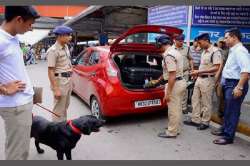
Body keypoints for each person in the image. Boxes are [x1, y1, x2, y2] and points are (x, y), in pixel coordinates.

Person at [0, 6, 40, 160]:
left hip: (21, 104)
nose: (31, 29)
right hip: (15, 107)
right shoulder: (1, 41)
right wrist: (3, 88)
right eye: (30, 24)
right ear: (18, 19)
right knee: (17, 153)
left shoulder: (13, 37)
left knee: (21, 148)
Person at [212, 28, 250, 145]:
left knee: (233, 111)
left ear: (234, 37)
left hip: (235, 84)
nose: (225, 40)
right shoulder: (233, 50)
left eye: (227, 37)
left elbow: (246, 71)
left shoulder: (240, 51)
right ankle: (225, 130)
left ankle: (228, 137)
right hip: (229, 83)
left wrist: (239, 87)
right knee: (228, 110)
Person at [146, 34, 186, 138]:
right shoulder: (175, 52)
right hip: (180, 81)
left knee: (173, 109)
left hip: (175, 84)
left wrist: (168, 93)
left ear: (160, 43)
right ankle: (175, 128)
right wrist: (159, 80)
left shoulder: (169, 55)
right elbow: (169, 73)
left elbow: (172, 75)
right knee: (177, 108)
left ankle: (172, 132)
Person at [183, 33, 222, 130]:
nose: (199, 45)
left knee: (206, 102)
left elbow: (216, 67)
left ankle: (205, 122)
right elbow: (204, 65)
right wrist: (196, 73)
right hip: (199, 79)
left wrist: (199, 71)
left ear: (206, 41)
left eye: (200, 43)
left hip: (208, 80)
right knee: (195, 99)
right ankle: (195, 119)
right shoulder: (204, 51)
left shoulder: (215, 51)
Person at [47, 25, 73, 122]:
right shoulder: (53, 51)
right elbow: (50, 71)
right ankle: (56, 130)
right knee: (58, 109)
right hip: (60, 82)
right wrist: (56, 89)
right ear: (60, 36)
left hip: (68, 81)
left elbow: (67, 62)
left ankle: (63, 126)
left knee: (65, 106)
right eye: (68, 35)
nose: (70, 37)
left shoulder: (65, 47)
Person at [173, 34, 194, 114]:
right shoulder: (171, 49)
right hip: (174, 73)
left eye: (182, 41)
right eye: (179, 41)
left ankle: (184, 107)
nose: (181, 42)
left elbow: (191, 59)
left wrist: (192, 71)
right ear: (175, 40)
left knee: (184, 90)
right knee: (175, 90)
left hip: (184, 73)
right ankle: (175, 107)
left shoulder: (186, 48)